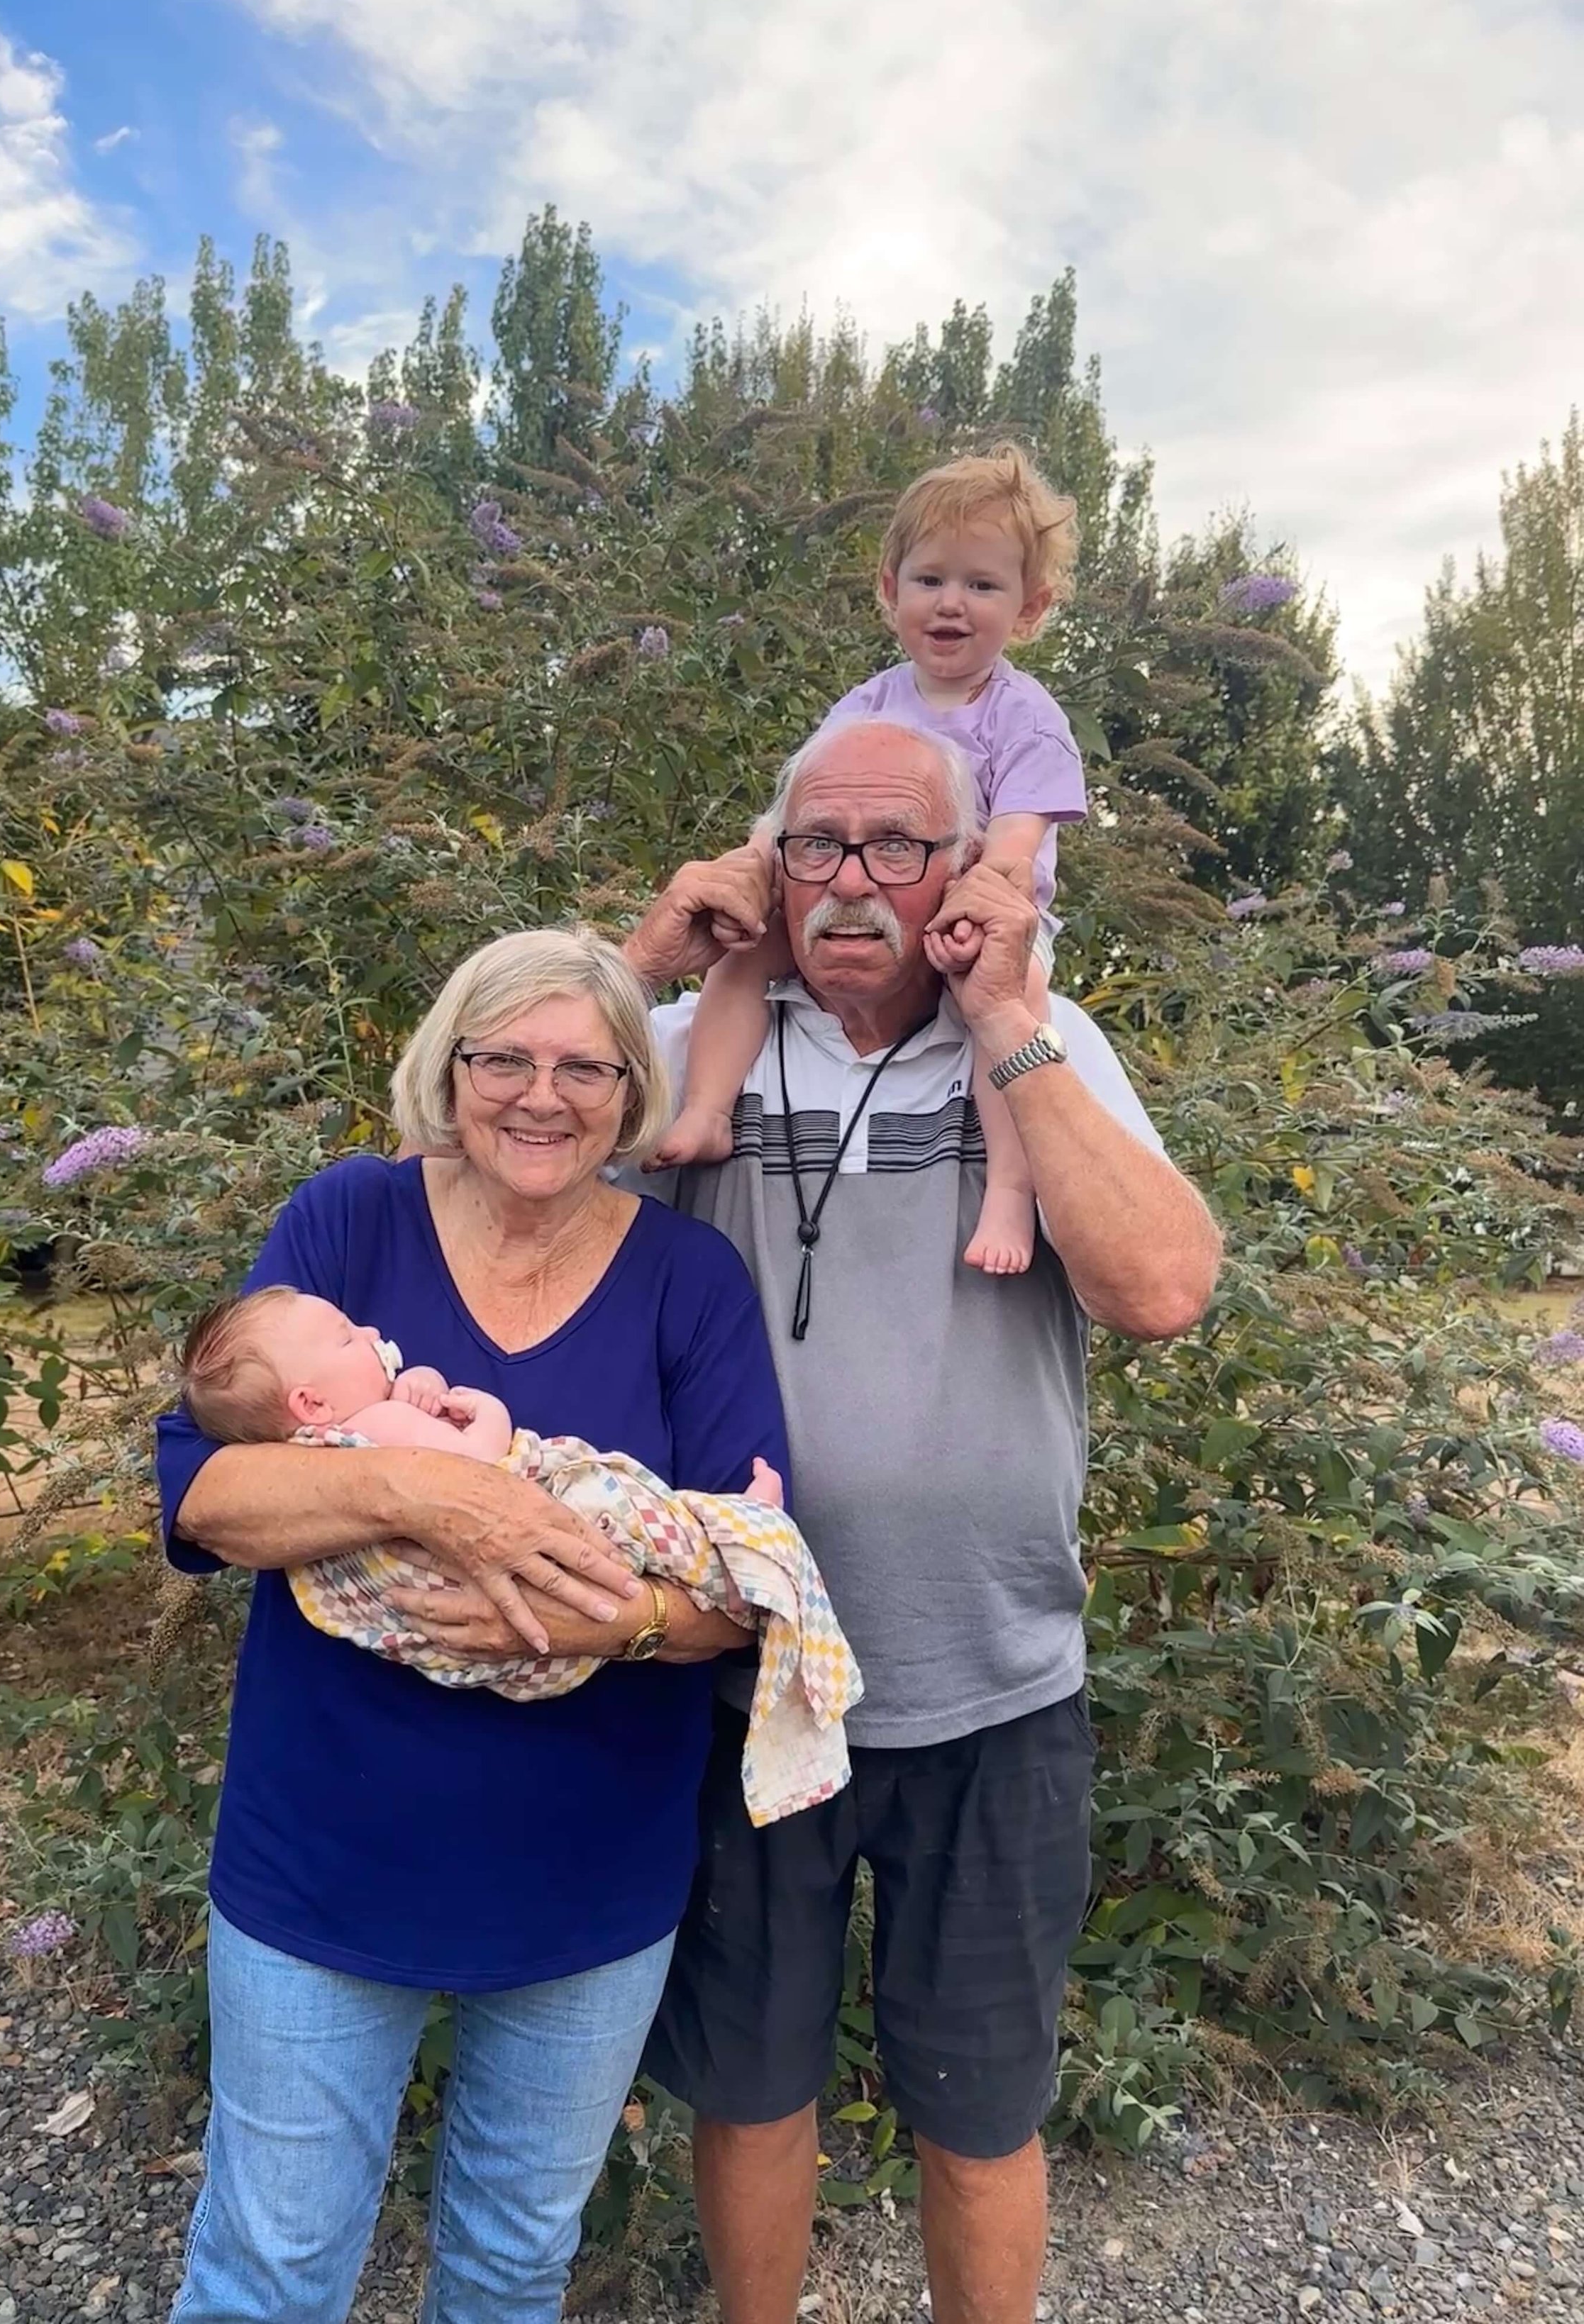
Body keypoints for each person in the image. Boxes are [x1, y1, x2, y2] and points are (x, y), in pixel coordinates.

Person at [612, 716, 1222, 2324]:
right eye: (815, 843)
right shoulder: (685, 1044)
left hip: (996, 1687)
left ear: (964, 867)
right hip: (751, 1679)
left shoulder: (1043, 1046)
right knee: (748, 2091)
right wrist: (638, 956)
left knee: (976, 2112)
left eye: (898, 844)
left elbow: (1162, 1286)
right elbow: (451, 1196)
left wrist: (1010, 1021)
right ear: (770, 867)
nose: (854, 880)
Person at [153, 927, 789, 2324]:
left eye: (585, 1064)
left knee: (509, 2267)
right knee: (270, 2267)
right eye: (503, 1056)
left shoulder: (689, 1279)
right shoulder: (345, 1224)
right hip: (323, 1862)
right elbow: (204, 1494)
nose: (540, 1094)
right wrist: (434, 1496)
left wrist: (607, 1619)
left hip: (587, 1876)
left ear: (632, 1090)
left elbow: (749, 1575)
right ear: (448, 1066)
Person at [176, 1284, 863, 1825]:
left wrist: (412, 1394)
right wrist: (490, 1419)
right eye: (346, 1336)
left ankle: (735, 1559)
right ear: (310, 1401)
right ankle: (746, 1535)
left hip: (491, 1746)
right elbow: (482, 1473)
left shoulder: (312, 1453)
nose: (367, 1332)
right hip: (542, 1564)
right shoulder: (376, 1424)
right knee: (626, 1513)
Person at [653, 446, 1086, 1280]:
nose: (951, 603)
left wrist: (962, 915)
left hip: (982, 914)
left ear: (1028, 609)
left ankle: (1007, 1185)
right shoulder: (863, 707)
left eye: (982, 585)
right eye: (930, 580)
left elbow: (1012, 851)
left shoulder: (1027, 717)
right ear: (890, 591)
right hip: (869, 913)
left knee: (1013, 1007)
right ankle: (708, 1108)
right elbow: (796, 816)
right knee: (745, 954)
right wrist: (751, 873)